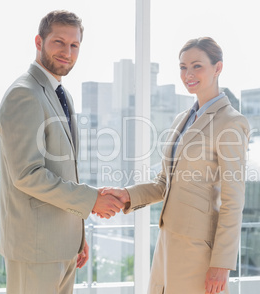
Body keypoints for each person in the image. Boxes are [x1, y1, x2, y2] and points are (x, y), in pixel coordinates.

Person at [104, 37, 250, 294]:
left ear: (218, 68)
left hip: (198, 248)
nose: (188, 74)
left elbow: (233, 199)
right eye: (183, 67)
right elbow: (164, 183)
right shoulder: (182, 119)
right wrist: (127, 195)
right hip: (167, 241)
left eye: (197, 66)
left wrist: (222, 264)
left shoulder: (231, 122)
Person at [0, 10, 123, 294]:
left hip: (62, 247)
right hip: (35, 250)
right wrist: (92, 201)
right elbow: (28, 175)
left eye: (74, 45)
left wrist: (77, 236)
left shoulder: (61, 95)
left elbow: (63, 172)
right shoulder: (24, 93)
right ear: (39, 42)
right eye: (58, 42)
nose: (67, 52)